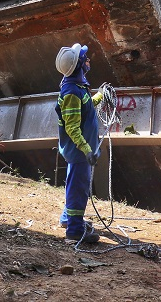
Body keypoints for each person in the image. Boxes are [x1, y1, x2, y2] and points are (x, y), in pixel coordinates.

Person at [54, 43, 104, 244]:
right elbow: (72, 128)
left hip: (79, 152)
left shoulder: (77, 87)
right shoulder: (72, 93)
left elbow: (86, 107)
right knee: (79, 189)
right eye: (86, 58)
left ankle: (68, 219)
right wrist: (87, 151)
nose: (88, 60)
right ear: (79, 65)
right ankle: (74, 231)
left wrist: (100, 96)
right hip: (79, 152)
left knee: (74, 184)